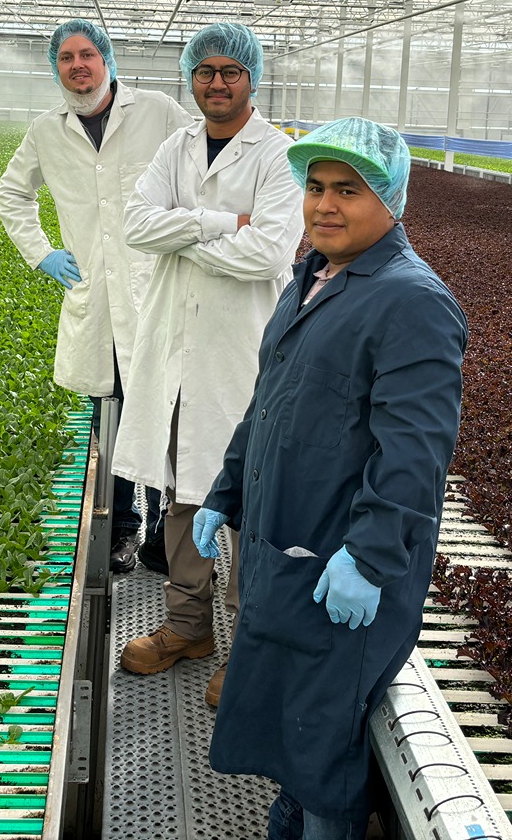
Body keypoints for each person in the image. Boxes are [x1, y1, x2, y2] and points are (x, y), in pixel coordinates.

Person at [193, 116, 468, 840]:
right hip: (286, 548)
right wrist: (225, 491)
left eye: (347, 189)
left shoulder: (412, 302)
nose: (324, 205)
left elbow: (414, 455)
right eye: (314, 186)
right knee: (292, 733)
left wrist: (369, 559)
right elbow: (268, 403)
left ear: (392, 199)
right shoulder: (309, 277)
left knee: (322, 756)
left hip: (340, 570)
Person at [114, 23, 302, 693]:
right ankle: (187, 629)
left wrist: (179, 231)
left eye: (230, 72)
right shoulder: (176, 145)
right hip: (175, 347)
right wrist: (221, 222)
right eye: (205, 72)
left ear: (251, 78)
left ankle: (247, 646)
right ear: (190, 79)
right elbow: (136, 226)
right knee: (181, 492)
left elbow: (269, 253)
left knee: (250, 498)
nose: (216, 83)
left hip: (241, 352)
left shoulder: (279, 156)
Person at [0, 19, 190, 573]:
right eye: (65, 57)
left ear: (107, 60)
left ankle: (165, 533)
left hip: (156, 292)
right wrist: (42, 253)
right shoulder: (45, 130)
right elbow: (12, 193)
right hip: (98, 300)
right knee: (114, 420)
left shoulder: (158, 113)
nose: (77, 65)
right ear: (56, 67)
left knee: (165, 413)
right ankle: (124, 530)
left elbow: (201, 170)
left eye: (87, 54)